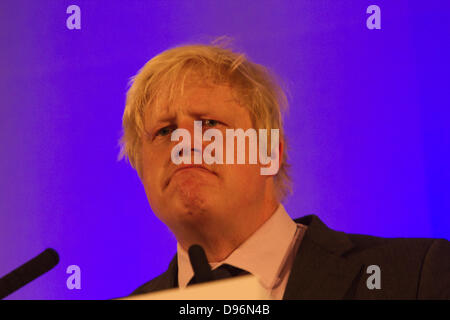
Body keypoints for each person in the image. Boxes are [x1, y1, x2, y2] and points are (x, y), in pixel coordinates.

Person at [118, 38, 450, 299]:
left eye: (208, 124)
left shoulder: (415, 276)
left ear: (268, 153)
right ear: (141, 168)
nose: (183, 143)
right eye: (164, 131)